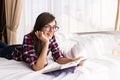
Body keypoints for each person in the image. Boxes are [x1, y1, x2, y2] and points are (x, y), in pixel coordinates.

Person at [0, 12, 83, 71]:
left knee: (3, 44)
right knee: (4, 48)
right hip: (11, 52)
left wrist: (73, 60)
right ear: (39, 27)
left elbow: (58, 58)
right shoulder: (28, 38)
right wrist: (46, 43)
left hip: (21, 47)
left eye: (53, 27)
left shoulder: (51, 37)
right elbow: (37, 67)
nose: (51, 31)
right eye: (47, 26)